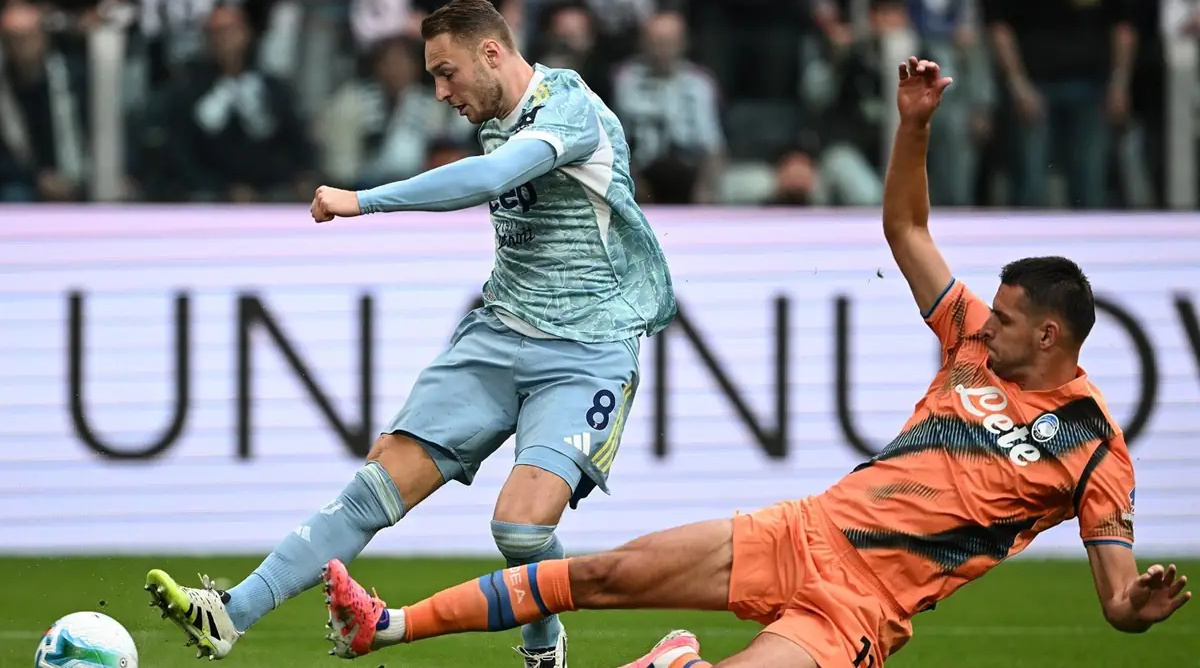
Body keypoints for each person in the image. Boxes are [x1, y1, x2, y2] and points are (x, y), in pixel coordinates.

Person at [317, 57, 1191, 668]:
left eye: (1007, 318)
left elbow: (1116, 597)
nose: (986, 322)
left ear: (1051, 336)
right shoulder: (970, 336)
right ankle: (385, 626)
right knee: (601, 574)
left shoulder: (1095, 450)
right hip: (802, 530)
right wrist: (914, 126)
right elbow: (907, 228)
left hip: (863, 605)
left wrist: (1136, 609)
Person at [142, 0, 676, 667]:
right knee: (373, 486)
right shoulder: (493, 117)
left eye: (447, 73)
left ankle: (544, 643)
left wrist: (362, 200)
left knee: (518, 529)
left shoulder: (567, 108)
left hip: (586, 352)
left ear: (491, 53)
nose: (440, 92)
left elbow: (491, 177)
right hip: (497, 336)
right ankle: (230, 612)